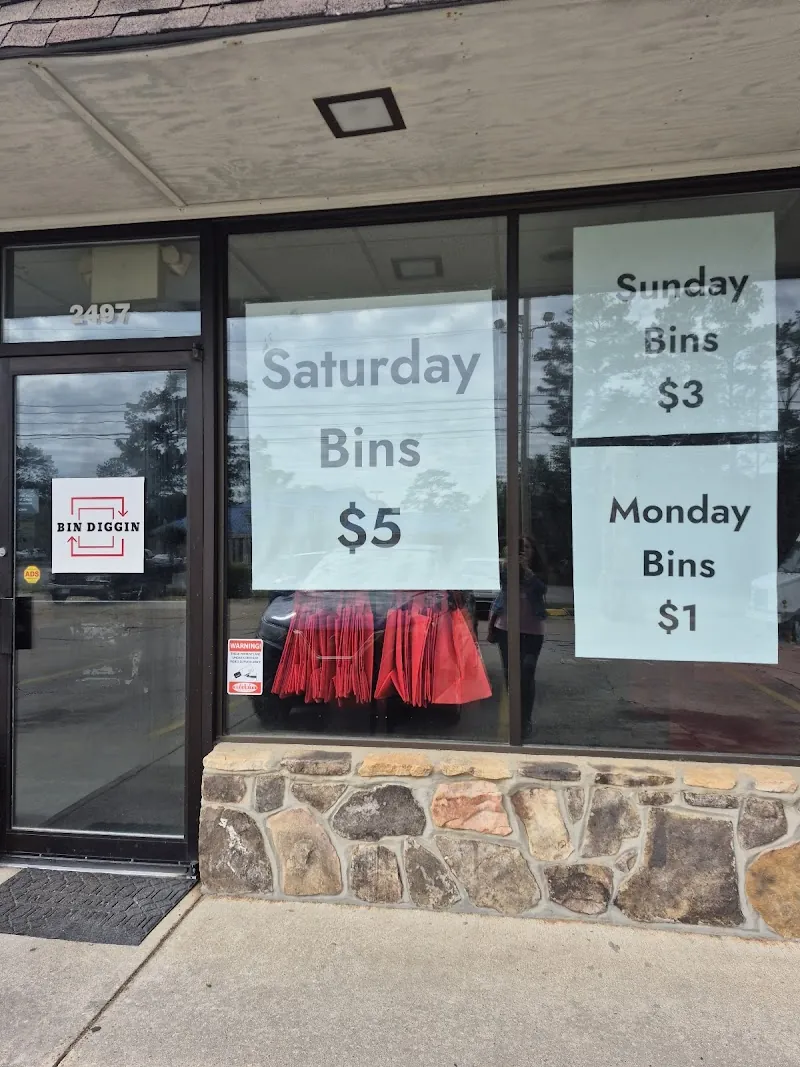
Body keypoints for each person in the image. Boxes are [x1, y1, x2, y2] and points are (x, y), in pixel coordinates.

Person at [489, 535, 547, 738]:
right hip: (506, 628)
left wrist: (527, 571)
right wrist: (509, 565)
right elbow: (500, 588)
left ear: (533, 552)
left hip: (532, 630)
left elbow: (541, 589)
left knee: (527, 673)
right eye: (519, 549)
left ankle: (525, 718)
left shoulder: (537, 572)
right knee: (510, 674)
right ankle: (515, 719)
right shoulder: (505, 569)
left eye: (527, 548)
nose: (524, 552)